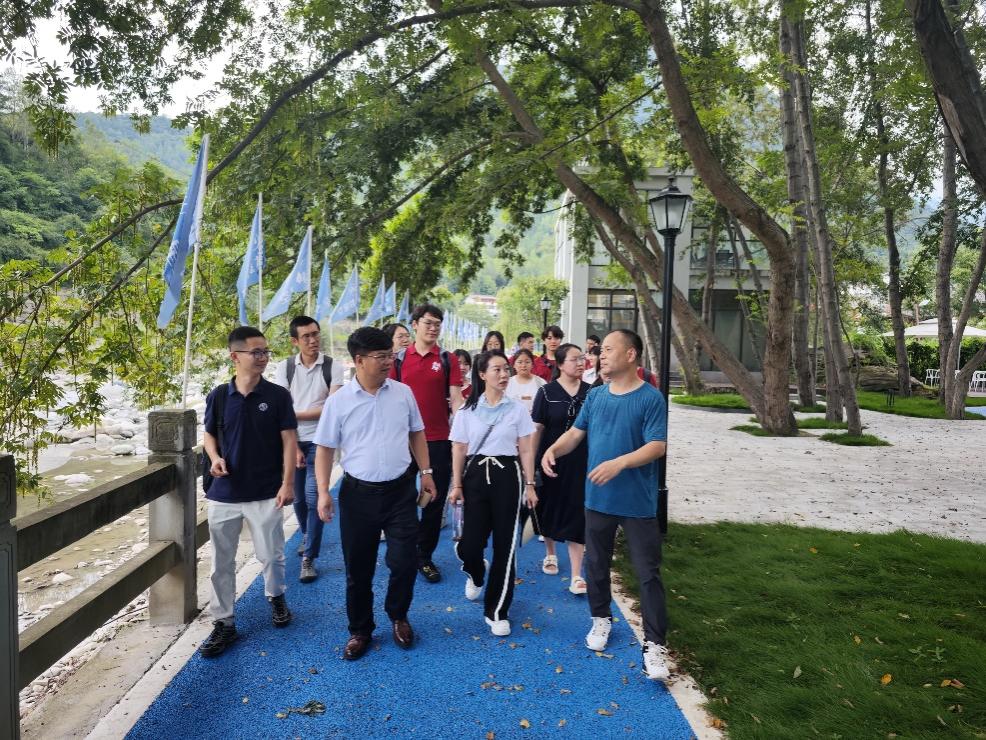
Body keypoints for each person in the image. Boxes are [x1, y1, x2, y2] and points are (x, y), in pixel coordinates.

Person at [541, 329, 672, 681]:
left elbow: (657, 446)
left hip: (637, 503)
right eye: (601, 350)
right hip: (598, 499)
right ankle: (601, 619)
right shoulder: (596, 395)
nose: (601, 355)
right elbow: (575, 433)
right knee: (596, 565)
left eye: (609, 349)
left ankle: (655, 645)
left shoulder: (650, 398)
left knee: (647, 573)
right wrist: (552, 449)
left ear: (631, 355)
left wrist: (620, 463)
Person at [314, 327, 438, 660]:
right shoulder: (339, 402)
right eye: (381, 356)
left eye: (390, 355)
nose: (388, 362)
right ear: (359, 360)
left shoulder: (403, 393)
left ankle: (398, 614)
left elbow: (417, 433)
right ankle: (360, 630)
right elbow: (325, 449)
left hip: (400, 491)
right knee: (358, 568)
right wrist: (323, 492)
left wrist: (426, 473)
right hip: (358, 495)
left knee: (404, 560)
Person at [199, 326, 298, 658]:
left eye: (265, 351)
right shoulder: (218, 396)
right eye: (256, 352)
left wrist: (287, 483)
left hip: (266, 490)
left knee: (271, 554)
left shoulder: (278, 396)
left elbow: (289, 441)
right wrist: (214, 458)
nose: (262, 357)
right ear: (235, 356)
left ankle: (276, 596)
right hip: (224, 492)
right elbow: (209, 435)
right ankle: (224, 622)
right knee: (221, 563)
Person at [448, 350, 537, 636]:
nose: (503, 374)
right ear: (482, 374)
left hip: (508, 476)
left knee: (505, 546)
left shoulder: (517, 410)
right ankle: (475, 571)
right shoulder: (467, 410)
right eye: (496, 369)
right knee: (470, 545)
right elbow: (459, 448)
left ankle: (497, 610)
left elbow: (526, 449)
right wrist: (457, 484)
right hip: (474, 476)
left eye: (506, 369)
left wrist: (530, 484)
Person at [389, 304, 464, 583]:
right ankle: (402, 552)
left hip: (438, 440)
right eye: (428, 323)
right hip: (402, 441)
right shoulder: (398, 360)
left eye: (437, 324)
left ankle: (424, 557)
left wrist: (466, 430)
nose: (433, 328)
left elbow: (456, 400)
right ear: (415, 325)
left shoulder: (447, 359)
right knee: (401, 501)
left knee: (433, 502)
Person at [273, 315, 344, 584]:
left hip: (321, 441)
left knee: (314, 497)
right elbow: (281, 409)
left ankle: (309, 558)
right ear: (295, 341)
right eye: (306, 336)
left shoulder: (333, 366)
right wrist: (293, 443)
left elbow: (331, 408)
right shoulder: (285, 368)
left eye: (316, 334)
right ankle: (307, 535)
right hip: (292, 439)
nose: (313, 340)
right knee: (299, 499)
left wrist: (294, 414)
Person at [531, 343, 590, 594]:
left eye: (582, 358)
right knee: (549, 506)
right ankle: (551, 553)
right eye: (575, 359)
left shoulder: (592, 391)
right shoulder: (546, 392)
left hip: (582, 461)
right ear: (561, 364)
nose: (581, 363)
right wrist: (531, 464)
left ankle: (577, 574)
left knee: (578, 511)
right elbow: (537, 429)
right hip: (550, 461)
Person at [505, 348, 545, 414]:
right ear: (514, 365)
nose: (523, 365)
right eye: (520, 362)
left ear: (532, 365)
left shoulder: (541, 382)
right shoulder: (507, 383)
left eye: (527, 362)